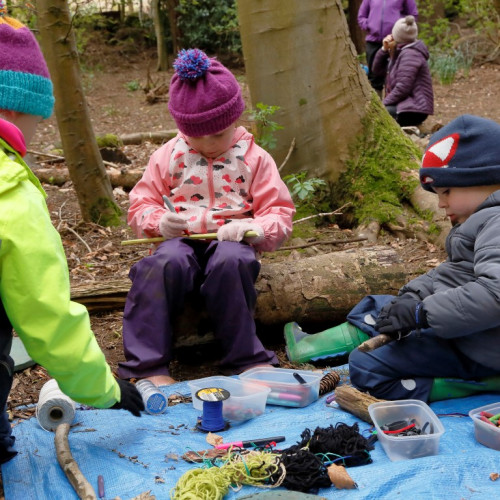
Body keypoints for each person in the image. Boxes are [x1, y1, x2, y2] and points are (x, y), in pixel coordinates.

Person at [0, 6, 144, 463]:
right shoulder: (10, 192)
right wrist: (105, 389)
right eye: (36, 120)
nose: (35, 133)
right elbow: (47, 316)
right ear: (13, 105)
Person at [286, 114, 500, 403]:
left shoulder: (496, 222)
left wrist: (420, 313)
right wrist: (410, 298)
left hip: (482, 347)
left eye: (447, 191)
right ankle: (309, 347)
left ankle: (480, 383)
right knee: (380, 307)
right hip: (469, 330)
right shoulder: (480, 219)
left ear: (486, 178)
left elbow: (494, 295)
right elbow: (455, 273)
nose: (441, 204)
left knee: (366, 367)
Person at [117, 49, 295, 387]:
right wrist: (158, 221)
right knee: (161, 264)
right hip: (179, 241)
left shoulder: (254, 158)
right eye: (202, 136)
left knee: (230, 263)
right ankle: (146, 366)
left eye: (222, 133)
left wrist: (252, 227)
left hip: (230, 242)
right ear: (184, 129)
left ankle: (246, 359)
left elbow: (279, 213)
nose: (213, 142)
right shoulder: (168, 156)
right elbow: (141, 203)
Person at [372, 15, 434, 127]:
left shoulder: (410, 55)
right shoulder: (401, 51)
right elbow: (377, 71)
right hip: (405, 106)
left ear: (396, 36)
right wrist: (384, 50)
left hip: (413, 109)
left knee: (377, 116)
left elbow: (402, 88)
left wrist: (382, 105)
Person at [357, 0, 418, 97]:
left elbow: (413, 15)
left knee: (395, 76)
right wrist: (369, 25)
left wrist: (400, 32)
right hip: (373, 41)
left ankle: (392, 106)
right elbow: (361, 16)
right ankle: (377, 107)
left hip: (395, 41)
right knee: (374, 77)